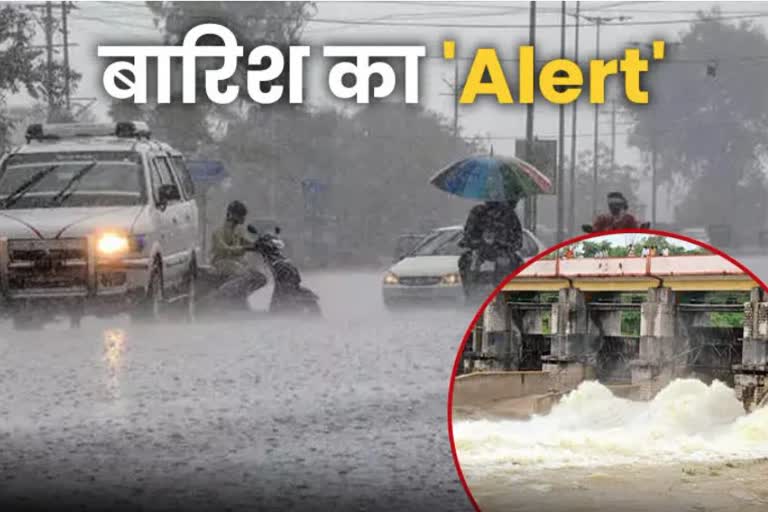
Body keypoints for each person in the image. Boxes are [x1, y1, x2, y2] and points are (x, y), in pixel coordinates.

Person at [458, 195, 524, 293]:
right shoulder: (509, 215)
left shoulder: (478, 212)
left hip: (495, 253)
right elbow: (518, 241)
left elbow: (467, 236)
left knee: (464, 261)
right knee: (465, 261)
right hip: (485, 253)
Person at [209, 200, 267, 306]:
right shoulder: (218, 232)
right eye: (241, 215)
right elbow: (225, 249)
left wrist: (260, 244)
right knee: (244, 274)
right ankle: (220, 296)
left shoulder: (238, 231)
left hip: (236, 263)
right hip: (221, 262)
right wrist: (244, 248)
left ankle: (240, 296)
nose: (243, 219)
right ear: (232, 215)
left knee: (260, 277)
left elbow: (247, 242)